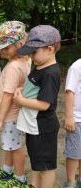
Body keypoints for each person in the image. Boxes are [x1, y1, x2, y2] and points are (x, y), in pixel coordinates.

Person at [13, 25, 61, 188]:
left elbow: (44, 104)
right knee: (36, 162)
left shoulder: (50, 73)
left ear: (50, 48)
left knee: (46, 167)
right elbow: (32, 88)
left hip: (43, 127)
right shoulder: (39, 67)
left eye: (34, 52)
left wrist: (20, 101)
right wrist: (22, 90)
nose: (31, 56)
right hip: (33, 126)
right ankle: (33, 185)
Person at [0, 21, 30, 185]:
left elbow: (8, 96)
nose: (1, 50)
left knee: (15, 148)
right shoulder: (25, 61)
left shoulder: (14, 67)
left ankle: (20, 179)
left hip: (9, 115)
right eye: (1, 47)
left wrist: (0, 119)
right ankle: (7, 171)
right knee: (10, 145)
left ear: (19, 45)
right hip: (13, 114)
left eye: (6, 47)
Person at [63, 58, 81, 188]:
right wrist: (69, 116)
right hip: (77, 119)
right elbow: (69, 92)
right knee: (74, 153)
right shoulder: (76, 67)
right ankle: (71, 182)